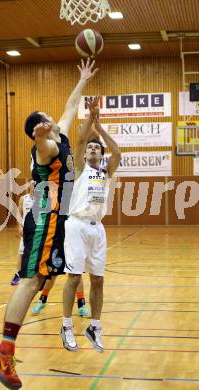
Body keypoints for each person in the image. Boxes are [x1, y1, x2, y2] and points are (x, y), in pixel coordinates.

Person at [0, 58, 98, 390]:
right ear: (41, 127)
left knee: (37, 280)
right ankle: (3, 351)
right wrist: (38, 138)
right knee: (30, 280)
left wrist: (82, 80)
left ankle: (4, 349)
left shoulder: (60, 135)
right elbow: (42, 147)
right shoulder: (47, 146)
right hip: (45, 218)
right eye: (45, 120)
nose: (52, 118)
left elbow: (69, 106)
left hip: (58, 219)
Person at [60, 96, 121, 353]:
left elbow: (117, 152)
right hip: (76, 225)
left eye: (97, 148)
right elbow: (82, 139)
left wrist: (101, 126)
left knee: (98, 280)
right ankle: (66, 326)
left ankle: (94, 326)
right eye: (90, 148)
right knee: (74, 276)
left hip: (97, 228)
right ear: (85, 155)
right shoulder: (80, 169)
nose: (93, 149)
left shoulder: (105, 173)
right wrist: (89, 120)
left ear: (101, 155)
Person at [10, 180, 35, 286]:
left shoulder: (43, 199)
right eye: (33, 185)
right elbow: (19, 214)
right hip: (26, 230)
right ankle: (18, 274)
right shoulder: (23, 199)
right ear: (29, 186)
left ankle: (37, 274)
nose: (35, 187)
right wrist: (19, 226)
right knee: (22, 252)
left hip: (38, 229)